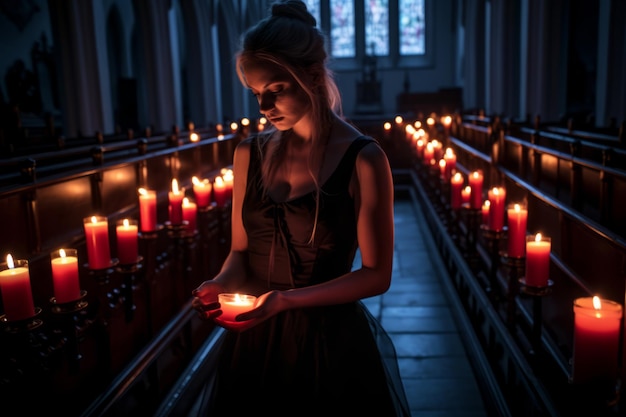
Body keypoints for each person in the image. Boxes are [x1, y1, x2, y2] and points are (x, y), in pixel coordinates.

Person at [191, 1, 410, 415]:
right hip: (256, 337)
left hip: (329, 338)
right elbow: (240, 253)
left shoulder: (364, 158)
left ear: (311, 75)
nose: (263, 108)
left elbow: (377, 276)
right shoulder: (247, 154)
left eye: (275, 90)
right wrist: (218, 283)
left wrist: (285, 301)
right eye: (256, 94)